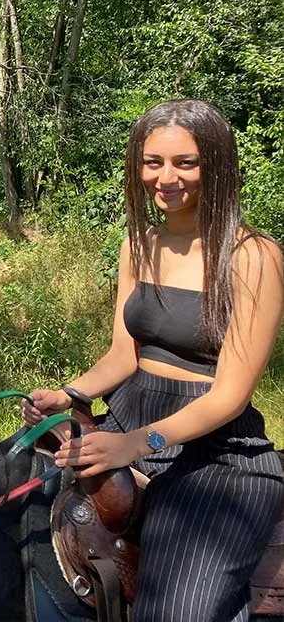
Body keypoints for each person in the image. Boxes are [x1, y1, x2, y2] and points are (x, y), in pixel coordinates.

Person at [23, 98, 284, 622]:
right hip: (126, 416)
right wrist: (72, 394)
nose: (166, 178)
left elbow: (231, 396)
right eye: (153, 162)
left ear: (216, 165)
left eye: (185, 163)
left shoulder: (254, 257)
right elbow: (123, 355)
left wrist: (136, 444)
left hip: (215, 454)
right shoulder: (138, 246)